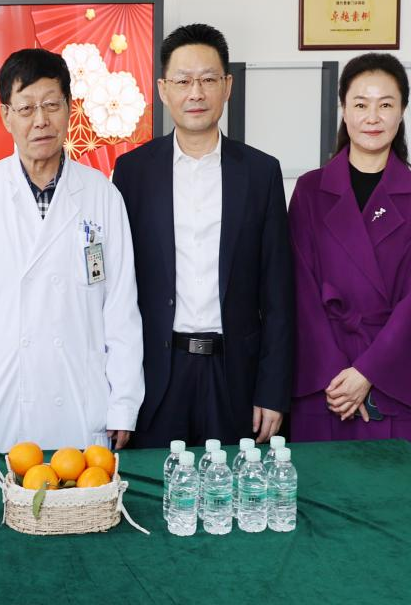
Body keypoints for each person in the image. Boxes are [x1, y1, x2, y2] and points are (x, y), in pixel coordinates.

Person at [0, 48, 144, 454]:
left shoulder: (102, 195)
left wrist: (124, 403)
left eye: (51, 105)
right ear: (6, 115)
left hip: (79, 397)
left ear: (69, 108)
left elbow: (120, 310)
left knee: (78, 491)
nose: (40, 120)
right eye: (26, 108)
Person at [112, 23, 293, 449]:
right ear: (163, 89)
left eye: (208, 80)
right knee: (154, 484)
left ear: (227, 86)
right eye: (183, 81)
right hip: (157, 372)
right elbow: (117, 287)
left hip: (234, 375)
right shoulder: (133, 172)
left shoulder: (261, 173)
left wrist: (272, 389)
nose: (196, 93)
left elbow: (279, 294)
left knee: (232, 485)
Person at [287, 53, 411, 451]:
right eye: (360, 104)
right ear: (343, 109)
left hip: (388, 376)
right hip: (325, 381)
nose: (373, 117)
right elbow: (300, 293)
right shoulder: (310, 190)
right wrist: (339, 377)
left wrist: (367, 373)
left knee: (391, 486)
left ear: (402, 112)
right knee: (319, 486)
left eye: (385, 105)